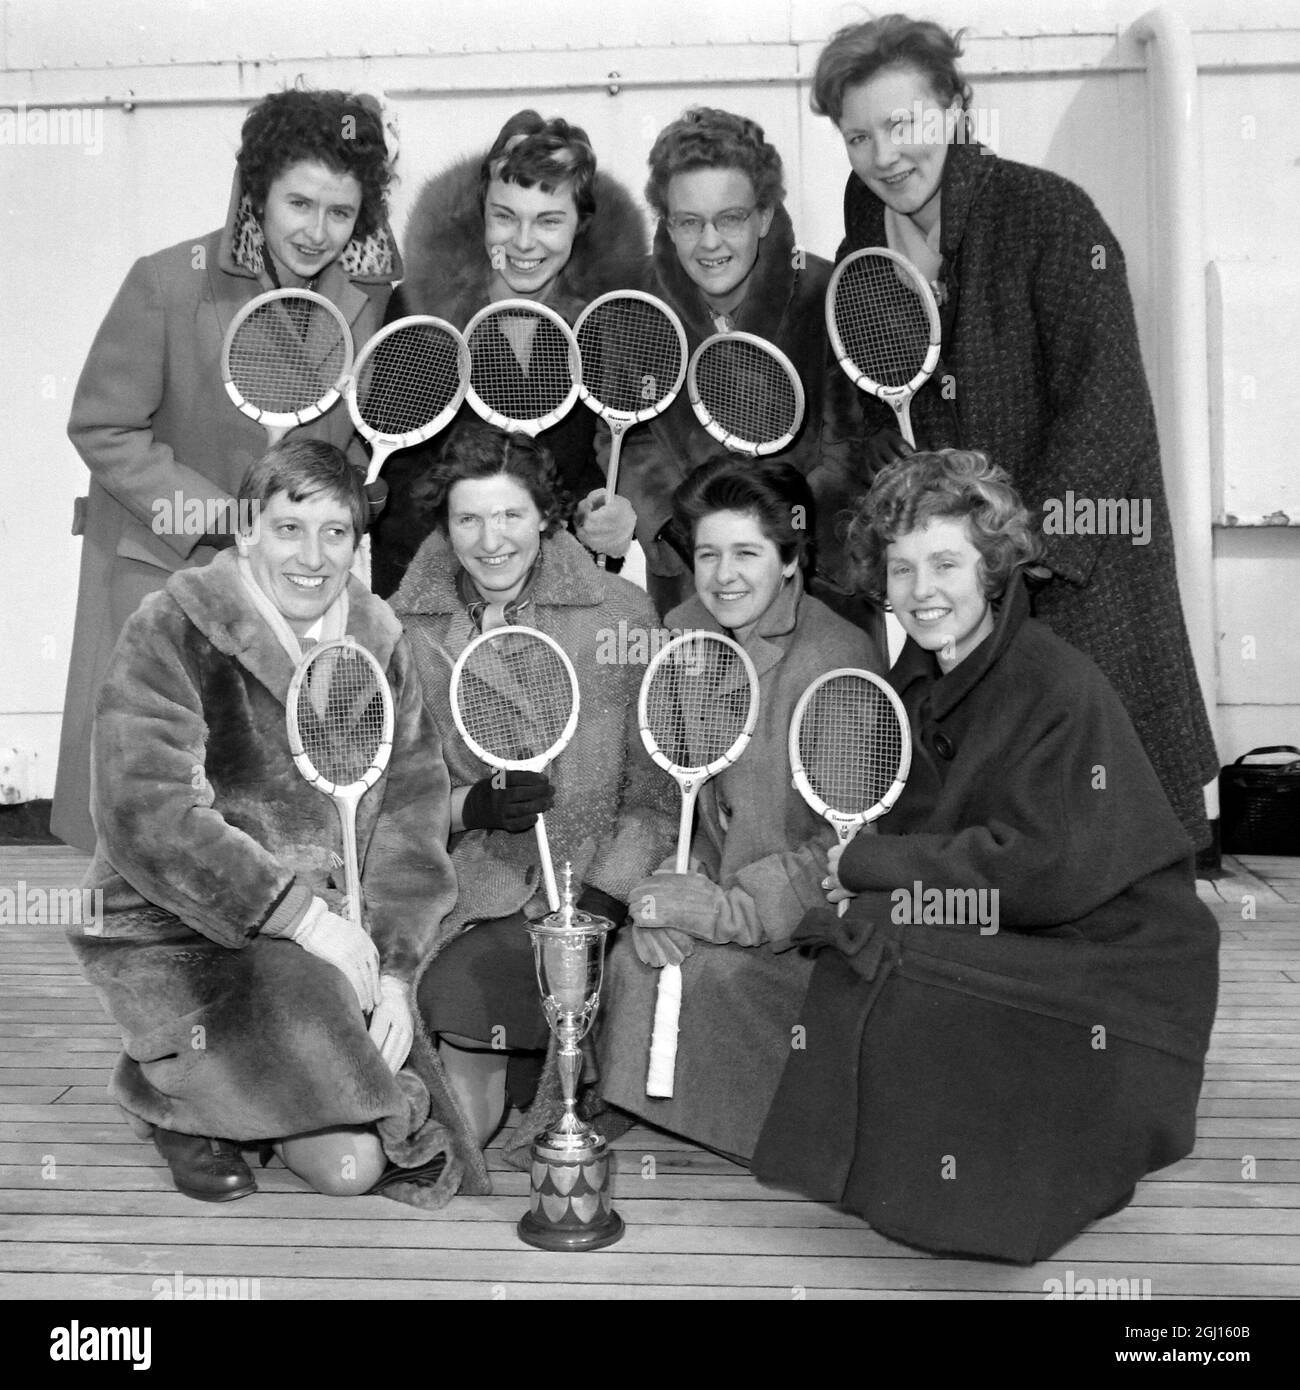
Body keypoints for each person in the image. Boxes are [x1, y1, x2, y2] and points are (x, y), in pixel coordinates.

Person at [751, 450, 1219, 1263]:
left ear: (994, 571)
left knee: (904, 962)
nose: (922, 590)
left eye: (945, 564)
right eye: (901, 569)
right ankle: (911, 1190)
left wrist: (869, 868)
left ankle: (983, 1206)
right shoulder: (919, 681)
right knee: (865, 940)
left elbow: (1035, 871)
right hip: (1031, 921)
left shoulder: (1053, 682)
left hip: (1120, 958)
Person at [809, 15, 1217, 848]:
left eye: (904, 124)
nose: (886, 155)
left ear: (957, 109)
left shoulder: (1051, 218)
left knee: (1110, 843)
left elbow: (1107, 414)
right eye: (859, 136)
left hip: (1073, 583)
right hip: (955, 603)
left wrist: (1011, 558)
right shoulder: (864, 248)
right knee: (985, 850)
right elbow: (872, 433)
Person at [69, 441, 483, 1208]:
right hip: (179, 929)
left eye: (335, 534)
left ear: (357, 547)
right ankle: (175, 1104)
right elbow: (142, 814)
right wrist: (298, 917)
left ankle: (241, 1096)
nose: (312, 555)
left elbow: (412, 819)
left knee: (354, 1167)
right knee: (358, 1115)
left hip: (337, 931)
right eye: (290, 528)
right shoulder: (173, 625)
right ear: (249, 531)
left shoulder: (380, 636)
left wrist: (393, 972)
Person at [53, 88, 402, 854]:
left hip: (287, 586)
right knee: (148, 806)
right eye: (298, 204)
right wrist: (221, 516)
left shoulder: (369, 303)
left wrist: (348, 497)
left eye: (340, 213)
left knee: (262, 810)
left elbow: (340, 450)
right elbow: (102, 424)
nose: (317, 232)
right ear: (256, 193)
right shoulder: (168, 281)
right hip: (167, 570)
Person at [389, 420, 677, 1149]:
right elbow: (390, 801)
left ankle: (544, 1086)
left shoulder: (622, 615)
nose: (492, 540)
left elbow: (656, 795)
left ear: (546, 516)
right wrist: (470, 806)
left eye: (511, 514)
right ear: (444, 525)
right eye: (469, 519)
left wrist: (604, 905)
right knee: (457, 1088)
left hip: (593, 895)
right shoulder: (403, 629)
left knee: (539, 1013)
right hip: (475, 894)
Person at [596, 456, 883, 1161]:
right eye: (708, 554)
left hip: (804, 930)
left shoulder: (836, 662)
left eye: (747, 554)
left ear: (791, 559)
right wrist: (669, 882)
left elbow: (844, 851)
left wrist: (724, 915)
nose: (724, 575)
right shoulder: (685, 629)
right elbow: (670, 792)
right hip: (716, 898)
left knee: (701, 971)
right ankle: (663, 1106)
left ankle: (791, 1129)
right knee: (636, 960)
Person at [371, 110, 645, 598]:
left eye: (548, 221)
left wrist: (604, 514)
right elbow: (402, 483)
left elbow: (591, 468)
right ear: (482, 214)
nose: (522, 242)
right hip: (437, 596)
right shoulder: (418, 311)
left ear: (579, 224)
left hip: (562, 596)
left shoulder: (607, 319)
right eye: (505, 216)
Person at [614, 108, 871, 622]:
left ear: (765, 216)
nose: (710, 243)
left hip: (815, 584)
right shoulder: (633, 309)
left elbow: (850, 446)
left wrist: (778, 538)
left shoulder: (828, 296)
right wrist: (684, 530)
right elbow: (625, 438)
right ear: (667, 221)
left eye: (730, 218)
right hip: (692, 581)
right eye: (689, 222)